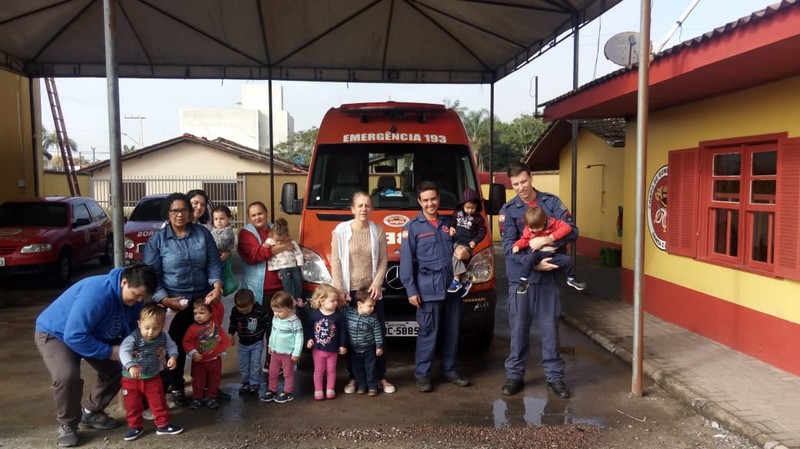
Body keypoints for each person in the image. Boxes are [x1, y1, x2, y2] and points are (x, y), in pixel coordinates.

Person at [34, 264, 158, 447]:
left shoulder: (134, 300)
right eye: (136, 294)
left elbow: (133, 328)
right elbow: (74, 335)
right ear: (124, 282)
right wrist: (109, 352)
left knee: (123, 367)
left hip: (92, 334)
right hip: (57, 334)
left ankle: (91, 411)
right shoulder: (96, 296)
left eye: (143, 296)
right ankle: (68, 424)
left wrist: (141, 347)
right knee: (67, 376)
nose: (139, 299)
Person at [499, 162, 577, 399]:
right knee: (519, 330)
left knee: (550, 329)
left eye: (523, 182)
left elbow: (572, 230)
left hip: (548, 281)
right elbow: (508, 246)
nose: (521, 188)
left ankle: (555, 378)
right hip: (521, 280)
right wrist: (535, 262)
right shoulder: (509, 210)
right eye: (515, 185)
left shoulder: (551, 203)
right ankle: (515, 376)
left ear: (531, 177)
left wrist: (546, 240)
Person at [143, 192, 223, 407]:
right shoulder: (158, 240)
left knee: (206, 343)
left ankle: (207, 387)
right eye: (175, 210)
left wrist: (216, 286)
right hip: (173, 303)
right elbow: (151, 276)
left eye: (184, 210)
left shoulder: (202, 234)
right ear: (167, 214)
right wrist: (166, 300)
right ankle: (177, 386)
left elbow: (214, 262)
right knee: (175, 346)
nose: (180, 214)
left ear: (190, 213)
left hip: (202, 300)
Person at [399, 181, 470, 393]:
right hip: (428, 288)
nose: (431, 203)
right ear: (420, 202)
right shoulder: (412, 228)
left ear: (438, 199)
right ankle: (423, 375)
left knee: (452, 330)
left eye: (434, 199)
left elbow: (462, 247)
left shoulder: (449, 224)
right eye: (426, 200)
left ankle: (450, 370)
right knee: (428, 332)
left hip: (452, 286)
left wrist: (466, 252)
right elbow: (406, 262)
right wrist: (411, 290)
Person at [330, 191, 395, 395]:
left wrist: (377, 283)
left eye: (367, 205)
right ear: (352, 209)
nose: (364, 209)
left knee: (377, 335)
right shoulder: (340, 231)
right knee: (352, 337)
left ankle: (380, 377)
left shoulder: (378, 230)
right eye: (360, 206)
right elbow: (336, 262)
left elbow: (384, 260)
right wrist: (339, 290)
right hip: (350, 294)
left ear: (372, 208)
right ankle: (354, 378)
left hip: (372, 294)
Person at [119, 305, 183, 441]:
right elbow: (123, 351)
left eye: (155, 328)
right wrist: (130, 366)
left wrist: (173, 356)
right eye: (147, 328)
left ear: (162, 326)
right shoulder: (133, 337)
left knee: (158, 401)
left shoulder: (163, 336)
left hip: (153, 377)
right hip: (131, 379)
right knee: (132, 405)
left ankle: (163, 425)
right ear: (139, 323)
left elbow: (172, 346)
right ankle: (135, 427)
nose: (150, 332)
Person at [513, 206, 584, 294]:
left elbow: (567, 228)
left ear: (544, 221)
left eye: (537, 228)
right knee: (528, 259)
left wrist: (551, 237)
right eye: (531, 228)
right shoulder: (528, 230)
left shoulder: (554, 223)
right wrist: (517, 246)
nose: (534, 231)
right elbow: (525, 239)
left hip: (552, 254)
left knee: (568, 260)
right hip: (537, 254)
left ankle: (571, 279)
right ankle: (524, 281)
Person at [183, 300, 231, 410]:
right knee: (198, 380)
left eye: (201, 313)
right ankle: (197, 398)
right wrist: (193, 353)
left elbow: (219, 307)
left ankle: (212, 397)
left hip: (214, 359)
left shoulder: (215, 321)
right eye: (195, 313)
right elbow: (187, 342)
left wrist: (215, 296)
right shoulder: (192, 329)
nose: (198, 316)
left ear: (210, 314)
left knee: (215, 379)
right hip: (200, 360)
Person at [305, 284, 348, 401]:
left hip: (333, 349)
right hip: (318, 349)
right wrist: (309, 339)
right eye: (332, 301)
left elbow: (343, 331)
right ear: (322, 301)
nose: (335, 303)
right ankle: (318, 389)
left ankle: (330, 388)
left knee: (331, 370)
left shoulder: (338, 316)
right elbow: (309, 328)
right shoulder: (314, 314)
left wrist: (343, 345)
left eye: (336, 301)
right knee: (319, 370)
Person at [262, 291, 304, 404]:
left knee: (288, 373)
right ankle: (272, 389)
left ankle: (288, 391)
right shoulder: (276, 319)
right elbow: (273, 333)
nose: (276, 314)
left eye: (279, 311)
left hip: (287, 353)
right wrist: (270, 346)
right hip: (275, 352)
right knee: (272, 372)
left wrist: (296, 353)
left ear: (289, 308)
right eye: (274, 311)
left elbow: (299, 338)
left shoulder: (295, 321)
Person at [344, 287, 384, 397]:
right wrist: (345, 301)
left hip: (369, 349)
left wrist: (379, 346)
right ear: (360, 304)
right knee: (357, 369)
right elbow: (341, 309)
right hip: (354, 349)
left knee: (371, 369)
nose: (372, 309)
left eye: (373, 306)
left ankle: (372, 387)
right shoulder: (349, 313)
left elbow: (377, 333)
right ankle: (361, 386)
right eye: (370, 306)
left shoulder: (373, 319)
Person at [227, 288, 268, 395]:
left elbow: (268, 325)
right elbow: (233, 323)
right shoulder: (235, 311)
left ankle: (254, 383)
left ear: (253, 303)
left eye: (246, 310)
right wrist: (231, 334)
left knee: (255, 363)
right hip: (242, 343)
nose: (243, 312)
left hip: (257, 342)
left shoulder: (260, 311)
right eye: (241, 310)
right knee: (244, 364)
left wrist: (270, 339)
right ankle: (246, 382)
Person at [447, 190, 487, 297]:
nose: (470, 210)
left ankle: (456, 280)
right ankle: (465, 281)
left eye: (472, 208)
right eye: (467, 207)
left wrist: (475, 241)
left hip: (467, 244)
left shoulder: (478, 218)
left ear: (476, 207)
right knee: (454, 258)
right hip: (456, 241)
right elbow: (452, 221)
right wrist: (451, 227)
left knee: (457, 255)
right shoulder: (457, 213)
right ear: (463, 205)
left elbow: (483, 231)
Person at [266, 217, 305, 304]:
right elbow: (266, 247)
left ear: (287, 236)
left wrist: (299, 263)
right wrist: (265, 245)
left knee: (298, 280)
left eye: (282, 240)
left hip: (293, 265)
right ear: (272, 236)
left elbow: (298, 253)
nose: (279, 243)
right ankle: (290, 298)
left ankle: (298, 297)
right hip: (282, 267)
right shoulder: (270, 241)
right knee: (286, 282)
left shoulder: (291, 242)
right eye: (277, 241)